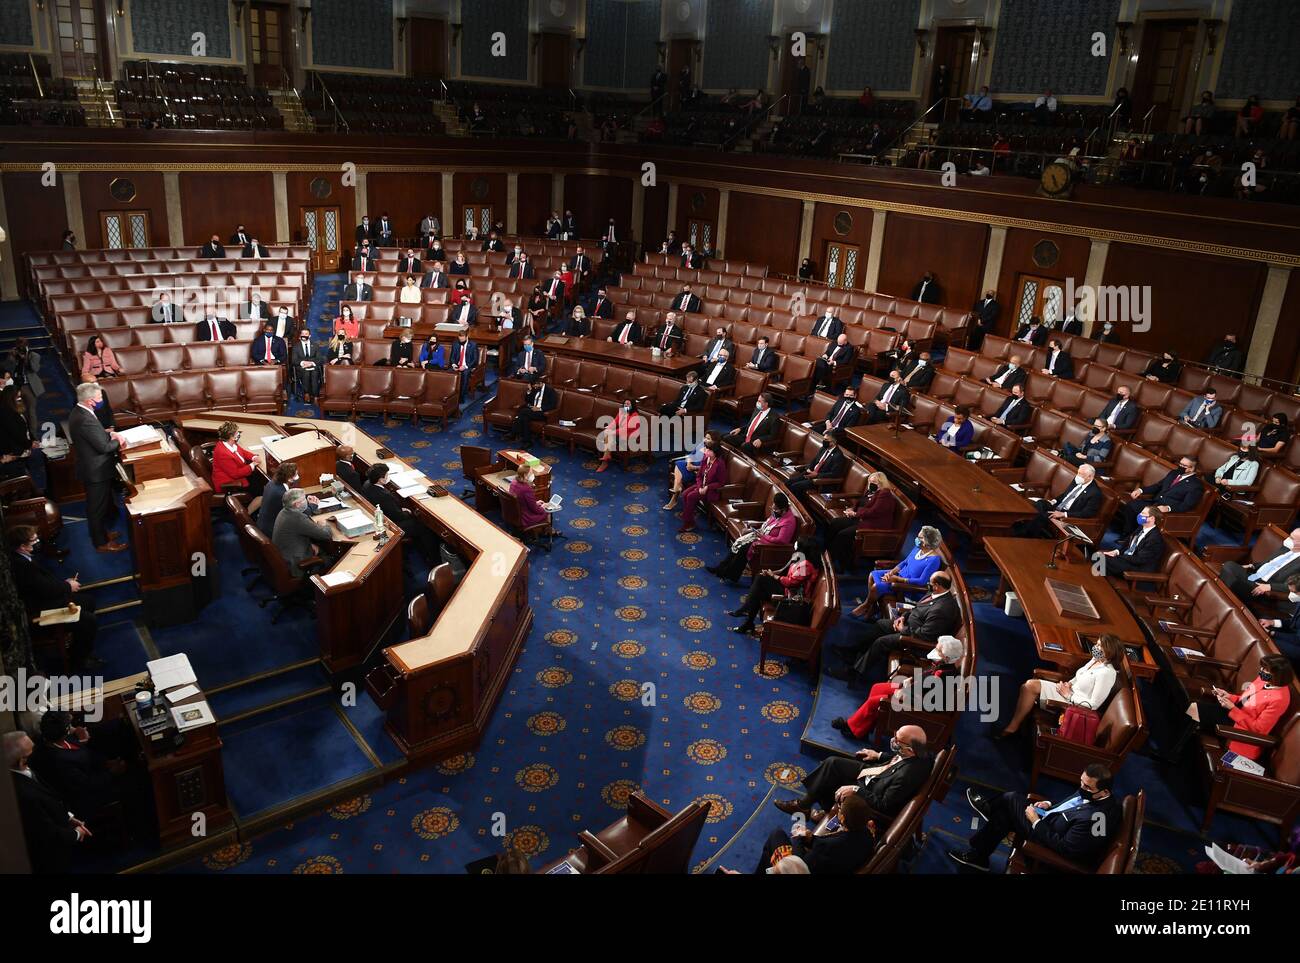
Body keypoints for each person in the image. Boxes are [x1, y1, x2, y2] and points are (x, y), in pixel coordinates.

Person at [949, 764, 1120, 872]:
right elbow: (1072, 805)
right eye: (1081, 782)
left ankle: (988, 811)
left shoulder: (1096, 818)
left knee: (1012, 798)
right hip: (1051, 820)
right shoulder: (1094, 794)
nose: (1082, 788)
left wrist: (1035, 822)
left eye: (1087, 787)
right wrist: (1048, 804)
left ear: (1104, 791)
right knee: (1004, 815)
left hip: (1048, 841)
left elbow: (1066, 849)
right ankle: (979, 856)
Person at [776, 725, 930, 825]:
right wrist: (879, 755)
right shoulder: (921, 753)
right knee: (832, 763)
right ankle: (810, 806)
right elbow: (899, 759)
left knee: (831, 776)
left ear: (910, 749)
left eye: (898, 740)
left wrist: (856, 790)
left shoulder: (907, 776)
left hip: (873, 788)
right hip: (879, 771)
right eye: (896, 734)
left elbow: (884, 805)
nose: (893, 740)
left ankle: (806, 806)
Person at [829, 571, 962, 685]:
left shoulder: (942, 610)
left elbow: (925, 635)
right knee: (880, 624)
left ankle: (854, 673)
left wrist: (902, 629)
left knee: (881, 642)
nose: (928, 584)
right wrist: (903, 617)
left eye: (930, 583)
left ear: (938, 586)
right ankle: (852, 653)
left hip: (914, 640)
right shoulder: (935, 593)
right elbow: (917, 608)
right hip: (907, 625)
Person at [1161, 655, 1292, 765]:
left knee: (1195, 709)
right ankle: (1174, 750)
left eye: (1266, 669)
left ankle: (1172, 751)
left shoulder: (1280, 699)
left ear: (1278, 675)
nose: (1261, 671)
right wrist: (1229, 696)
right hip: (1234, 713)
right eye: (1262, 667)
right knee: (1194, 708)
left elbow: (1259, 729)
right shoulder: (1264, 680)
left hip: (1241, 728)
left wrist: (1233, 709)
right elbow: (1245, 699)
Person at [833, 636, 964, 741]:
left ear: (947, 658)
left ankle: (855, 731)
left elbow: (930, 703)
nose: (935, 651)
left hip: (919, 707)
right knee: (878, 688)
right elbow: (926, 675)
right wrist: (911, 680)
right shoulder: (942, 665)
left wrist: (905, 693)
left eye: (938, 650)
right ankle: (864, 727)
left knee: (876, 701)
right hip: (913, 692)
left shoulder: (945, 678)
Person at [996, 634, 1124, 738]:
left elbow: (1093, 705)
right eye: (1096, 644)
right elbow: (1079, 676)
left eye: (1099, 646)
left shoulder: (1107, 674)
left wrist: (1069, 695)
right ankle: (1017, 723)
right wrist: (1069, 683)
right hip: (1068, 692)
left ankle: (1013, 727)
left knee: (1029, 687)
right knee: (1027, 686)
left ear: (1109, 651)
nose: (1095, 647)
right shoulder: (1096, 660)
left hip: (1074, 704)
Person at [10, 525, 100, 669]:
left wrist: (65, 583)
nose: (38, 541)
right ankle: (78, 660)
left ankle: (76, 643)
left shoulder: (24, 557)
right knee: (89, 621)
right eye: (34, 540)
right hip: (41, 610)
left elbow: (44, 583)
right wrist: (68, 587)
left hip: (47, 599)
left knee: (88, 602)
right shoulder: (21, 565)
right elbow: (43, 589)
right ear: (22, 546)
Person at [6, 730, 93, 874]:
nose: (36, 752)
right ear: (22, 760)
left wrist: (68, 817)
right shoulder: (22, 793)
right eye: (32, 750)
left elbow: (49, 796)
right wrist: (76, 833)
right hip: (49, 858)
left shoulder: (20, 768)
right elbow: (47, 833)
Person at [754, 791, 874, 875]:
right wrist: (811, 838)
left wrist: (799, 837)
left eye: (840, 809)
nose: (838, 810)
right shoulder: (868, 835)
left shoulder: (827, 847)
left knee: (777, 834)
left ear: (842, 818)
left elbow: (799, 863)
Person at [68, 382, 126, 553]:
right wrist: (118, 440)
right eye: (100, 397)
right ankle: (100, 543)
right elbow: (104, 447)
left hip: (94, 468)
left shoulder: (80, 411)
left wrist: (109, 433)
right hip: (95, 472)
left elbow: (95, 436)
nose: (102, 400)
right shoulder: (85, 418)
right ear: (90, 401)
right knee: (96, 509)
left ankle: (102, 534)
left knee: (100, 506)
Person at [728, 539, 820, 634]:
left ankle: (747, 614)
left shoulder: (806, 565)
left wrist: (773, 576)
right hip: (787, 589)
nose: (795, 543)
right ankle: (748, 622)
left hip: (791, 597)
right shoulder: (800, 557)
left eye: (798, 542)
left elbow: (791, 582)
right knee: (760, 587)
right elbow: (784, 570)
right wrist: (770, 573)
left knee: (760, 582)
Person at [852, 525, 944, 618]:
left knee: (876, 586)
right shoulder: (918, 548)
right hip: (899, 575)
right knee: (873, 574)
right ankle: (873, 607)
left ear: (926, 543)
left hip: (906, 586)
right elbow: (904, 562)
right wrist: (891, 572)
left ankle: (866, 605)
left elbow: (922, 581)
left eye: (920, 538)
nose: (916, 539)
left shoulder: (934, 560)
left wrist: (898, 579)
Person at [707, 491, 797, 584]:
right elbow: (768, 524)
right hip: (761, 537)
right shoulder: (780, 512)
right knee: (738, 544)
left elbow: (781, 540)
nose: (774, 511)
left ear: (783, 509)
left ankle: (727, 573)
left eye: (776, 510)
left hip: (769, 546)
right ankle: (720, 569)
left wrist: (764, 536)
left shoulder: (789, 522)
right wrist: (757, 531)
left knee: (743, 549)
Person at [362, 463, 440, 561]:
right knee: (424, 526)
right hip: (392, 525)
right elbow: (398, 516)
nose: (388, 476)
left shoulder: (367, 484)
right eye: (387, 475)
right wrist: (408, 512)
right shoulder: (383, 495)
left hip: (380, 518)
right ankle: (433, 558)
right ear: (381, 479)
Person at [827, 472, 897, 571]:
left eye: (874, 482)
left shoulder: (885, 494)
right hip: (862, 518)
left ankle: (842, 565)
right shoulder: (871, 491)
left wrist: (856, 514)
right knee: (835, 523)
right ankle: (827, 552)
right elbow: (861, 503)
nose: (871, 484)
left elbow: (874, 511)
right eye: (870, 482)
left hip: (873, 525)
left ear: (881, 483)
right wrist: (852, 510)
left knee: (843, 535)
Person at [1013, 463, 1102, 539]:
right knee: (1040, 504)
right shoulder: (1077, 480)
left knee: (1043, 515)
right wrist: (1053, 501)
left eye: (1081, 474)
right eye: (1078, 473)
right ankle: (1026, 530)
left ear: (1090, 477)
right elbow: (1066, 494)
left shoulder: (1094, 493)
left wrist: (1064, 514)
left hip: (1068, 513)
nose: (1077, 476)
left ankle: (1025, 533)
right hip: (1059, 505)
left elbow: (1087, 513)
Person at [1119, 455, 1202, 535]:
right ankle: (1127, 534)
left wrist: (1168, 508)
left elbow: (1186, 505)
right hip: (1154, 502)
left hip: (1166, 511)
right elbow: (1158, 486)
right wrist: (1141, 490)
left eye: (1184, 465)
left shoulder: (1195, 485)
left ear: (1192, 468)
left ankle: (1134, 539)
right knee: (1132, 505)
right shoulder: (1174, 473)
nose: (1180, 466)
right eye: (1180, 464)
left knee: (1147, 517)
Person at [1216, 527, 1300, 603]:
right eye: (1290, 536)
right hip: (1253, 575)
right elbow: (1268, 563)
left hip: (1261, 585)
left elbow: (1295, 586)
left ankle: (1219, 596)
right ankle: (1223, 599)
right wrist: (1251, 566)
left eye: (1292, 538)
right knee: (1230, 566)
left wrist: (1270, 586)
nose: (1288, 539)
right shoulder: (1286, 548)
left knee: (1229, 567)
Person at [271, 488, 333, 577]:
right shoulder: (298, 519)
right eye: (304, 499)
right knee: (330, 558)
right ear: (297, 504)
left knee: (318, 545)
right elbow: (326, 535)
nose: (306, 501)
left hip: (285, 554)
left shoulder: (284, 511)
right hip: (296, 564)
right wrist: (324, 525)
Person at [679, 437, 726, 533]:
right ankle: (690, 517)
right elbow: (699, 475)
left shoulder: (720, 464)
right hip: (701, 485)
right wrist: (700, 486)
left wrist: (707, 487)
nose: (706, 451)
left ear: (715, 452)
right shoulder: (706, 458)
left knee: (691, 496)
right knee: (684, 494)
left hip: (712, 491)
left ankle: (688, 523)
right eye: (707, 448)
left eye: (709, 450)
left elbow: (721, 483)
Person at [258, 462, 318, 538]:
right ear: (289, 479)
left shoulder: (272, 483)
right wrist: (313, 505)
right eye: (296, 475)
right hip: (272, 531)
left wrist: (304, 498)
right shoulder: (281, 494)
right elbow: (298, 514)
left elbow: (291, 496)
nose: (298, 477)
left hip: (263, 524)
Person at [1101, 508, 1166, 577]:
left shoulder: (1154, 538)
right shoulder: (1141, 528)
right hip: (1129, 560)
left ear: (1152, 518)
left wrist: (1119, 557)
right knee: (1100, 559)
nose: (1139, 515)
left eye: (1143, 513)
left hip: (1137, 569)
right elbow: (1128, 545)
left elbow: (1140, 559)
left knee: (1100, 560)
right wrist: (1117, 552)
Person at [665, 429, 718, 512]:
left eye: (708, 438)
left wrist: (694, 467)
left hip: (697, 471)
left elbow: (709, 467)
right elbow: (691, 454)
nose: (705, 440)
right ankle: (677, 488)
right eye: (705, 437)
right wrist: (689, 463)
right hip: (690, 465)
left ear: (714, 441)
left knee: (679, 466)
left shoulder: (714, 452)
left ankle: (675, 494)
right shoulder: (702, 444)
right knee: (679, 463)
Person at [211, 421, 260, 508]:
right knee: (258, 488)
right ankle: (248, 513)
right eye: (237, 432)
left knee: (258, 478)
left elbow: (242, 452)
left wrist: (253, 457)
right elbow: (236, 474)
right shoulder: (223, 453)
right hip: (230, 483)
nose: (239, 434)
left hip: (238, 474)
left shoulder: (229, 443)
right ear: (231, 437)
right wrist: (252, 465)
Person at [788, 430, 847, 499]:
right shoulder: (823, 449)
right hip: (811, 474)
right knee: (788, 482)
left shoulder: (838, 456)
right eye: (823, 439)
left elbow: (834, 474)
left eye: (826, 440)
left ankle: (797, 505)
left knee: (795, 486)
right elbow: (815, 460)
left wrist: (817, 475)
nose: (823, 441)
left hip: (819, 481)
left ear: (834, 442)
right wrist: (809, 468)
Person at [0, 385, 38, 479]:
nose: (19, 399)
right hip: (13, 454)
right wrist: (29, 443)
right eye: (17, 397)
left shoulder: (13, 410)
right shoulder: (6, 413)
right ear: (11, 398)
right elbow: (15, 433)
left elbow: (24, 427)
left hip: (18, 451)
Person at [596, 399, 642, 472]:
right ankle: (605, 458)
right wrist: (608, 428)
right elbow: (615, 422)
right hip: (621, 434)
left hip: (630, 437)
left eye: (628, 404)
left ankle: (605, 461)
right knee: (608, 435)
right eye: (625, 403)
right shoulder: (622, 412)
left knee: (609, 436)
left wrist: (613, 432)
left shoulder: (635, 415)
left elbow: (626, 429)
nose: (626, 405)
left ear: (632, 406)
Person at [511, 377, 557, 446]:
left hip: (542, 413)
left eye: (535, 385)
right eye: (533, 386)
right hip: (531, 411)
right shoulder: (535, 389)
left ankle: (513, 433)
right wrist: (529, 391)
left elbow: (552, 405)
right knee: (525, 418)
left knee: (523, 412)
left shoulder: (550, 391)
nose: (534, 387)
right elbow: (528, 400)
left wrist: (540, 408)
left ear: (541, 383)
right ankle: (527, 441)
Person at [509, 465, 549, 529]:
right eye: (531, 473)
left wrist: (535, 503)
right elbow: (534, 509)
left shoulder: (513, 482)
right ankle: (545, 533)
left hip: (515, 513)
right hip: (525, 517)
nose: (533, 474)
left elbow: (523, 501)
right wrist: (542, 508)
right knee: (546, 512)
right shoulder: (526, 489)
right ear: (525, 475)